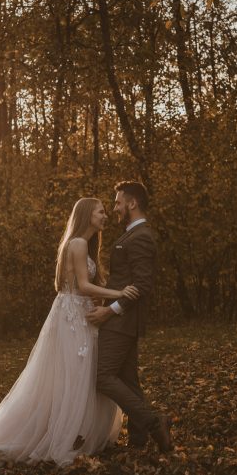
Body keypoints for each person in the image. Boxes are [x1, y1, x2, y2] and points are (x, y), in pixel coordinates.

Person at [0, 197, 138, 473]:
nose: (105, 216)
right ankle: (64, 435)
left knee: (80, 375)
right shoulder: (77, 243)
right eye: (101, 211)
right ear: (88, 214)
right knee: (73, 375)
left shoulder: (84, 246)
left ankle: (77, 433)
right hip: (72, 317)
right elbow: (82, 285)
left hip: (78, 314)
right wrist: (118, 294)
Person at [85, 181, 172, 453]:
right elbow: (125, 279)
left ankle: (154, 421)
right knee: (129, 380)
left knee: (101, 376)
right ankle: (138, 438)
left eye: (118, 202)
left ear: (132, 203)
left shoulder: (142, 236)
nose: (115, 208)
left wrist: (109, 311)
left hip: (121, 321)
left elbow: (143, 286)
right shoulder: (129, 235)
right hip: (121, 319)